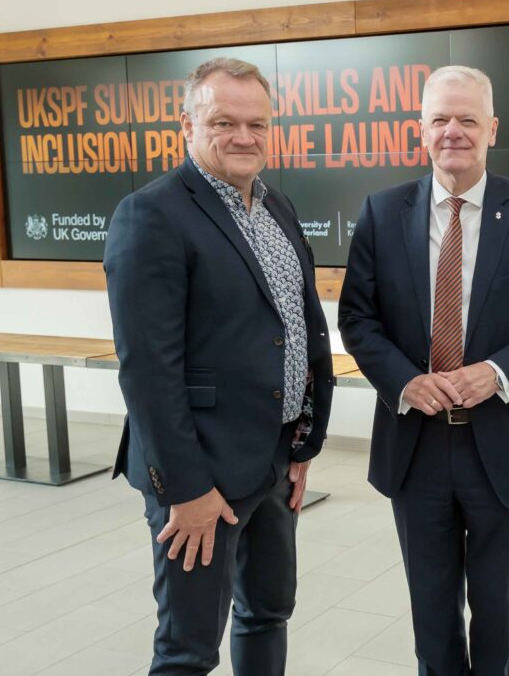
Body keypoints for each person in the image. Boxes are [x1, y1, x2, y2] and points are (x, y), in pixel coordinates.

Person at [338, 65, 509, 675]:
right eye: (440, 119)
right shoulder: (381, 212)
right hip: (414, 450)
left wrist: (497, 373)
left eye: (467, 119)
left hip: (500, 446)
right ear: (420, 129)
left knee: (497, 616)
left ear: (492, 128)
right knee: (432, 617)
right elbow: (358, 320)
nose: (454, 131)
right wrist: (403, 382)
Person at [104, 57, 334, 676]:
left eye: (257, 124)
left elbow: (295, 328)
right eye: (223, 122)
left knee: (267, 612)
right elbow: (148, 371)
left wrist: (302, 443)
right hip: (200, 474)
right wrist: (186, 489)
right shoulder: (150, 215)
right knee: (188, 649)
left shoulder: (276, 205)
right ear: (187, 123)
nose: (243, 137)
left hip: (274, 460)